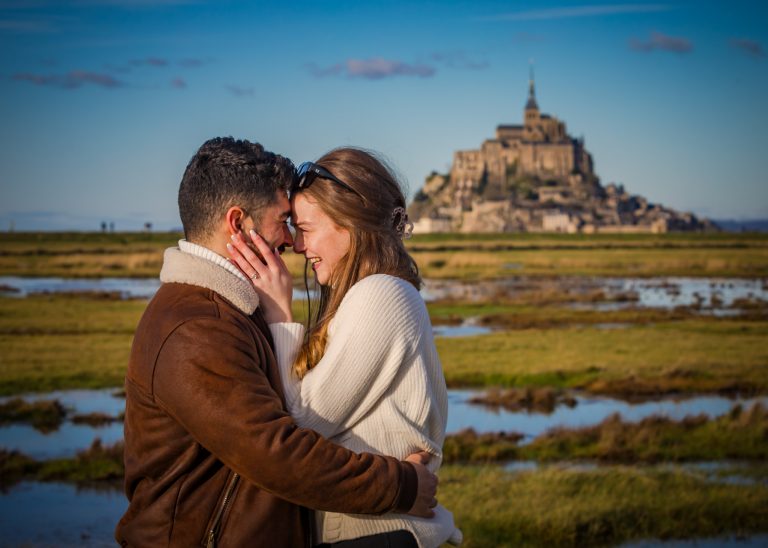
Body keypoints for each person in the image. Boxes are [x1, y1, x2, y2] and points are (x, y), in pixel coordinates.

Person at [115, 138, 439, 547]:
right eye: (284, 221)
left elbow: (292, 425)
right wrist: (401, 485)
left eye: (301, 226)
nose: (291, 242)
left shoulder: (232, 311)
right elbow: (278, 453)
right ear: (237, 223)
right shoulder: (197, 327)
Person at [227, 147, 462, 547]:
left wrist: (281, 315)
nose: (299, 246)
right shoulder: (364, 297)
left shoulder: (381, 294)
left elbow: (302, 422)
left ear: (349, 226)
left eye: (306, 228)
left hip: (380, 534)